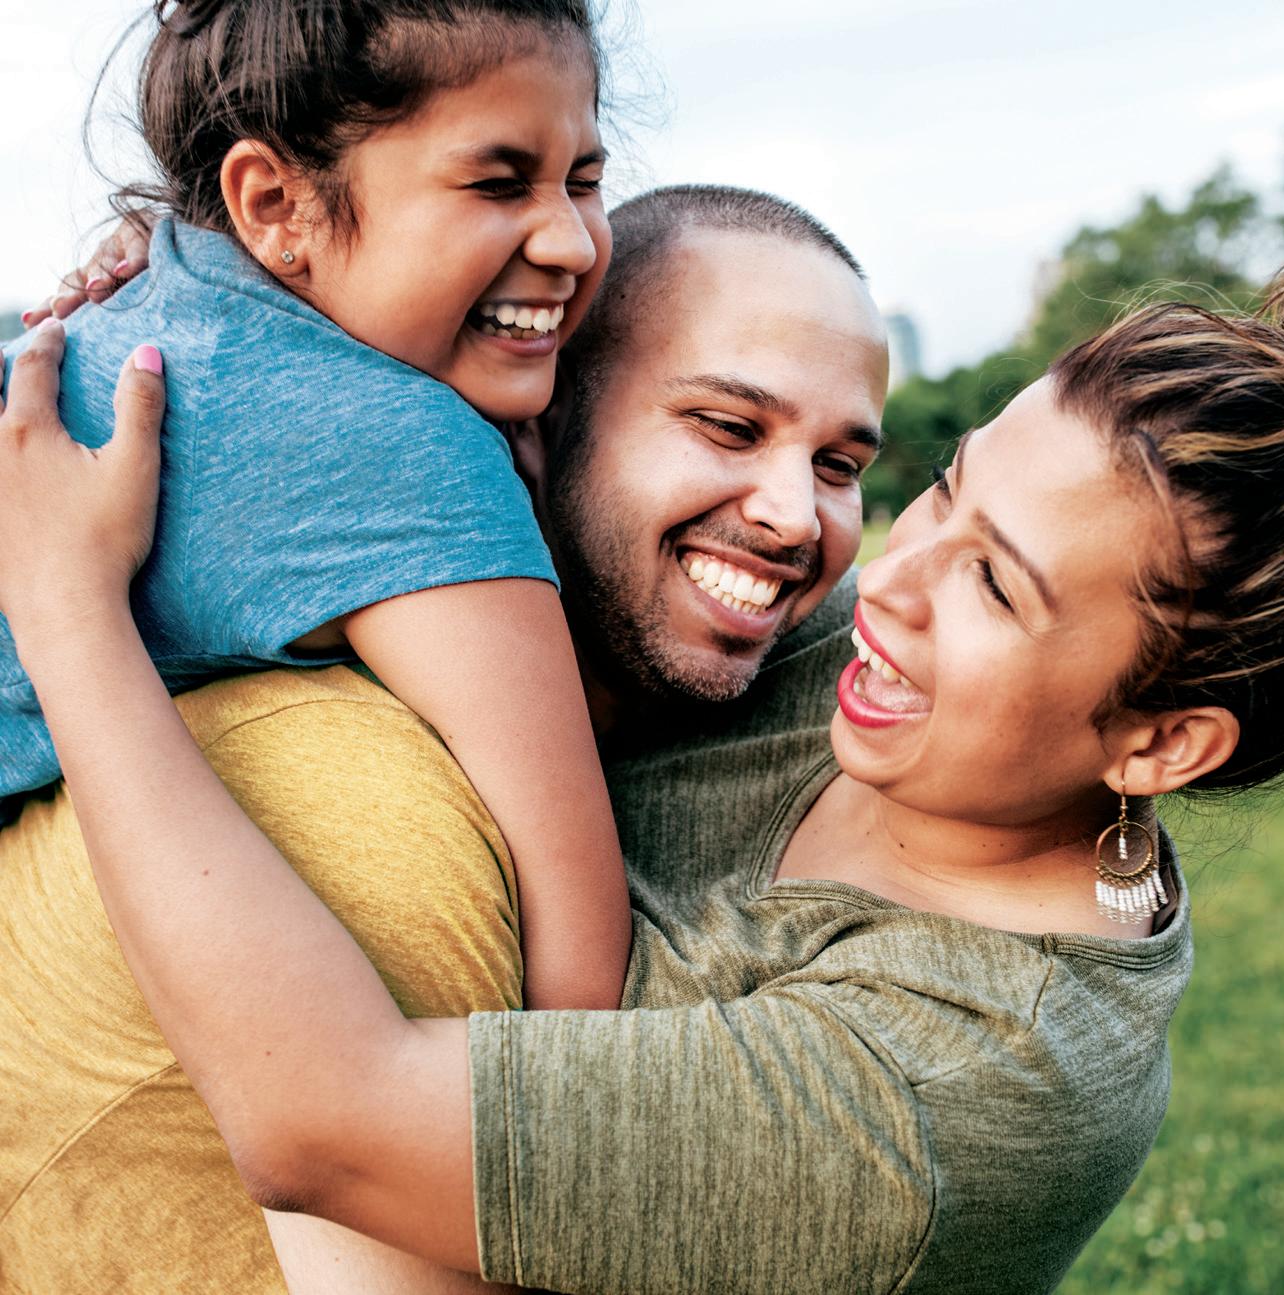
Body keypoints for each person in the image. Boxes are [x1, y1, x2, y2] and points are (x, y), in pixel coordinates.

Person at [10, 206, 1284, 1293]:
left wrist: (69, 609)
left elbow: (327, 1122)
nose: (880, 579)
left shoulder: (963, 1087)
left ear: (1162, 741)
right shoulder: (837, 663)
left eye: (994, 584)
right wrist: (210, 287)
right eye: (942, 489)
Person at [0, 186, 890, 1293]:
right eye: (727, 427)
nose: (797, 516)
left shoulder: (760, 690)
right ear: (531, 422)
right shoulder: (376, 817)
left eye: (841, 466)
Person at [0, 0, 633, 1015]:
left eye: (585, 181)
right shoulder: (397, 439)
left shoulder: (152, 308)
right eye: (497, 183)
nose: (572, 242)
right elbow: (580, 983)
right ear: (272, 204)